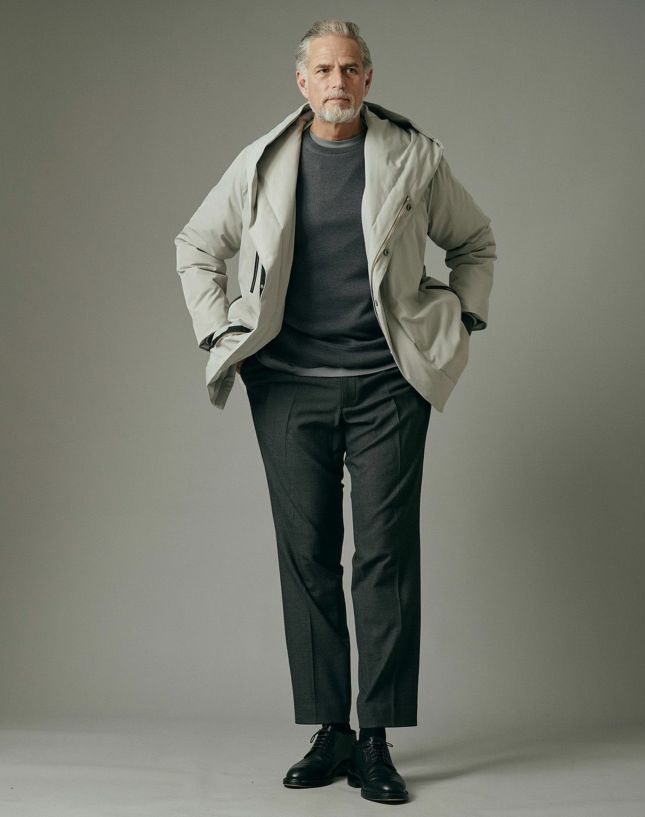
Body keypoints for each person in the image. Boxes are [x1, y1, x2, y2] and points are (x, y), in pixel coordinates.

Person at [174, 19, 496, 805]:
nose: (337, 82)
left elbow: (474, 241)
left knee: (385, 557)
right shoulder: (262, 163)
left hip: (388, 388)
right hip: (288, 388)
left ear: (368, 78)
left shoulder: (414, 157)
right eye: (323, 70)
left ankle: (376, 739)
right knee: (308, 556)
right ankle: (331, 731)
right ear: (302, 81)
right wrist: (220, 331)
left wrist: (459, 319)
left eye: (350, 69)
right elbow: (197, 245)